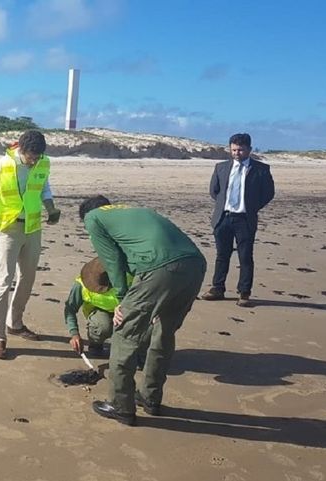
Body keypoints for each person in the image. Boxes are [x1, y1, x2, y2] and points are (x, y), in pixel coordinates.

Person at [79, 195, 206, 426]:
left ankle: (121, 407)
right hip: (195, 264)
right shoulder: (135, 211)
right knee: (163, 331)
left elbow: (112, 260)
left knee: (124, 334)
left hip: (160, 266)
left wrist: (122, 300)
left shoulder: (93, 218)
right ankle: (150, 398)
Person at [0, 130, 61, 360]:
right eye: (31, 157)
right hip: (8, 229)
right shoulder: (0, 166)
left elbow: (44, 188)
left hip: (33, 228)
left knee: (28, 277)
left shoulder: (43, 162)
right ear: (21, 150)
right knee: (3, 281)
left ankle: (15, 323)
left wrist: (51, 208)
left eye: (37, 157)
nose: (34, 161)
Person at [201, 133, 275, 307]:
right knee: (222, 256)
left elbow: (268, 193)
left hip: (245, 219)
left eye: (240, 150)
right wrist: (222, 206)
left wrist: (252, 207)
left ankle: (244, 292)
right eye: (233, 150)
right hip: (223, 218)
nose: (236, 153)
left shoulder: (261, 169)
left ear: (249, 149)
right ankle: (217, 288)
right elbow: (214, 191)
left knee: (245, 257)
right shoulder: (221, 167)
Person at [65, 257, 132, 358]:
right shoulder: (80, 285)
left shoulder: (129, 279)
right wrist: (74, 334)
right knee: (102, 326)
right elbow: (70, 309)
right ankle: (96, 345)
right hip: (99, 312)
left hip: (127, 310)